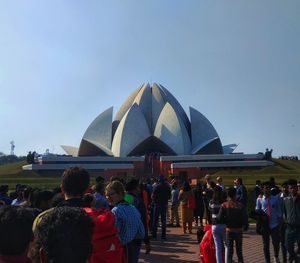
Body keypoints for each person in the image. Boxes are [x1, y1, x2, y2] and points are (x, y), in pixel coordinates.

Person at [106, 180, 145, 263]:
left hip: (121, 251)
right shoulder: (133, 209)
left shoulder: (116, 211)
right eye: (107, 195)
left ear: (120, 193)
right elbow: (141, 233)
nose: (108, 198)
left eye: (111, 194)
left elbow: (114, 236)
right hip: (133, 248)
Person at [218, 187, 248, 263]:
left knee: (229, 252)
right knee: (239, 251)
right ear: (235, 195)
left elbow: (219, 218)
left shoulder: (224, 205)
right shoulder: (240, 205)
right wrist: (244, 226)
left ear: (228, 195)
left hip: (229, 230)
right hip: (238, 230)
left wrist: (226, 222)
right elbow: (244, 218)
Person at [256, 181, 282, 263]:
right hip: (265, 225)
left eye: (269, 188)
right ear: (262, 189)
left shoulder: (275, 198)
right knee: (265, 245)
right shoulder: (259, 199)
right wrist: (260, 214)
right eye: (266, 188)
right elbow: (257, 210)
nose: (268, 189)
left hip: (274, 224)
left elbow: (278, 210)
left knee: (276, 242)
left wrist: (280, 218)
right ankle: (267, 260)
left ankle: (276, 257)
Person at [125, 179, 151, 256]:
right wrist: (146, 241)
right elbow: (143, 221)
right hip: (135, 237)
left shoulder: (122, 199)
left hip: (123, 236)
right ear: (135, 188)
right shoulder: (138, 202)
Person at [283, 179, 300, 263]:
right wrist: (286, 220)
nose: (292, 189)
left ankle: (294, 258)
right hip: (289, 227)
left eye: (294, 188)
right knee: (287, 246)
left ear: (297, 188)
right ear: (289, 189)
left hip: (299, 227)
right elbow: (284, 212)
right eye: (291, 188)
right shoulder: (286, 200)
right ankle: (295, 258)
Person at [209, 186, 226, 263]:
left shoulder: (211, 201)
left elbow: (210, 210)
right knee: (227, 246)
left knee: (218, 247)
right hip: (223, 224)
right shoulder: (224, 202)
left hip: (214, 225)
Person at [151, 175, 171, 240]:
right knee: (163, 220)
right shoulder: (167, 187)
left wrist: (155, 200)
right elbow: (169, 196)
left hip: (157, 204)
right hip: (164, 204)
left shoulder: (156, 187)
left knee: (155, 220)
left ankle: (154, 235)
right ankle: (163, 235)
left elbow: (153, 196)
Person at [280, 181, 290, 263]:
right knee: (283, 244)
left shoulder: (291, 197)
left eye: (286, 187)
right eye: (283, 187)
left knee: (290, 243)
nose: (285, 189)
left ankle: (291, 259)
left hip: (290, 224)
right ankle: (284, 260)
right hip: (282, 224)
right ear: (281, 188)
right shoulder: (278, 198)